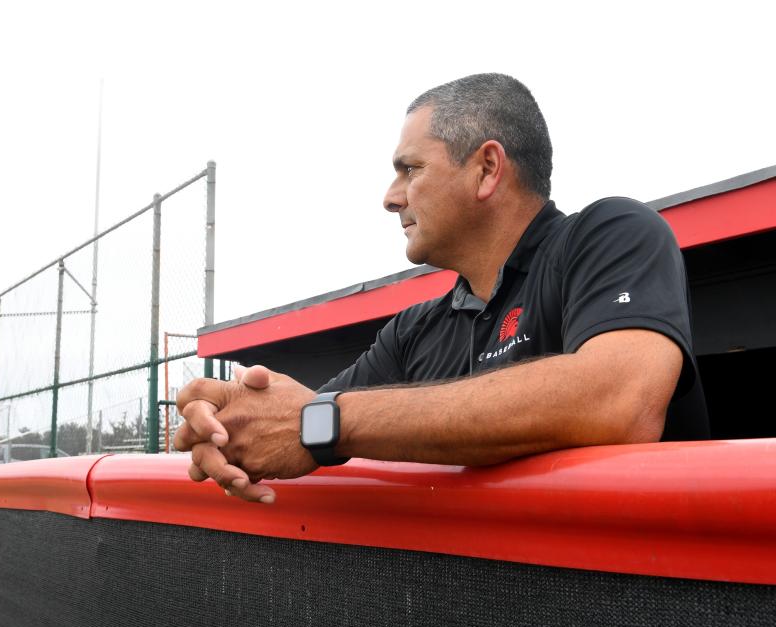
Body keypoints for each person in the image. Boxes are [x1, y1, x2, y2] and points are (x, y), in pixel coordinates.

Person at [175, 73, 710, 504]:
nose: (391, 197)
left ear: (487, 170)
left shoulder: (612, 232)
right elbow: (296, 427)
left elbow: (621, 400)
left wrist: (325, 422)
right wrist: (225, 425)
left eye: (410, 169)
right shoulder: (413, 332)